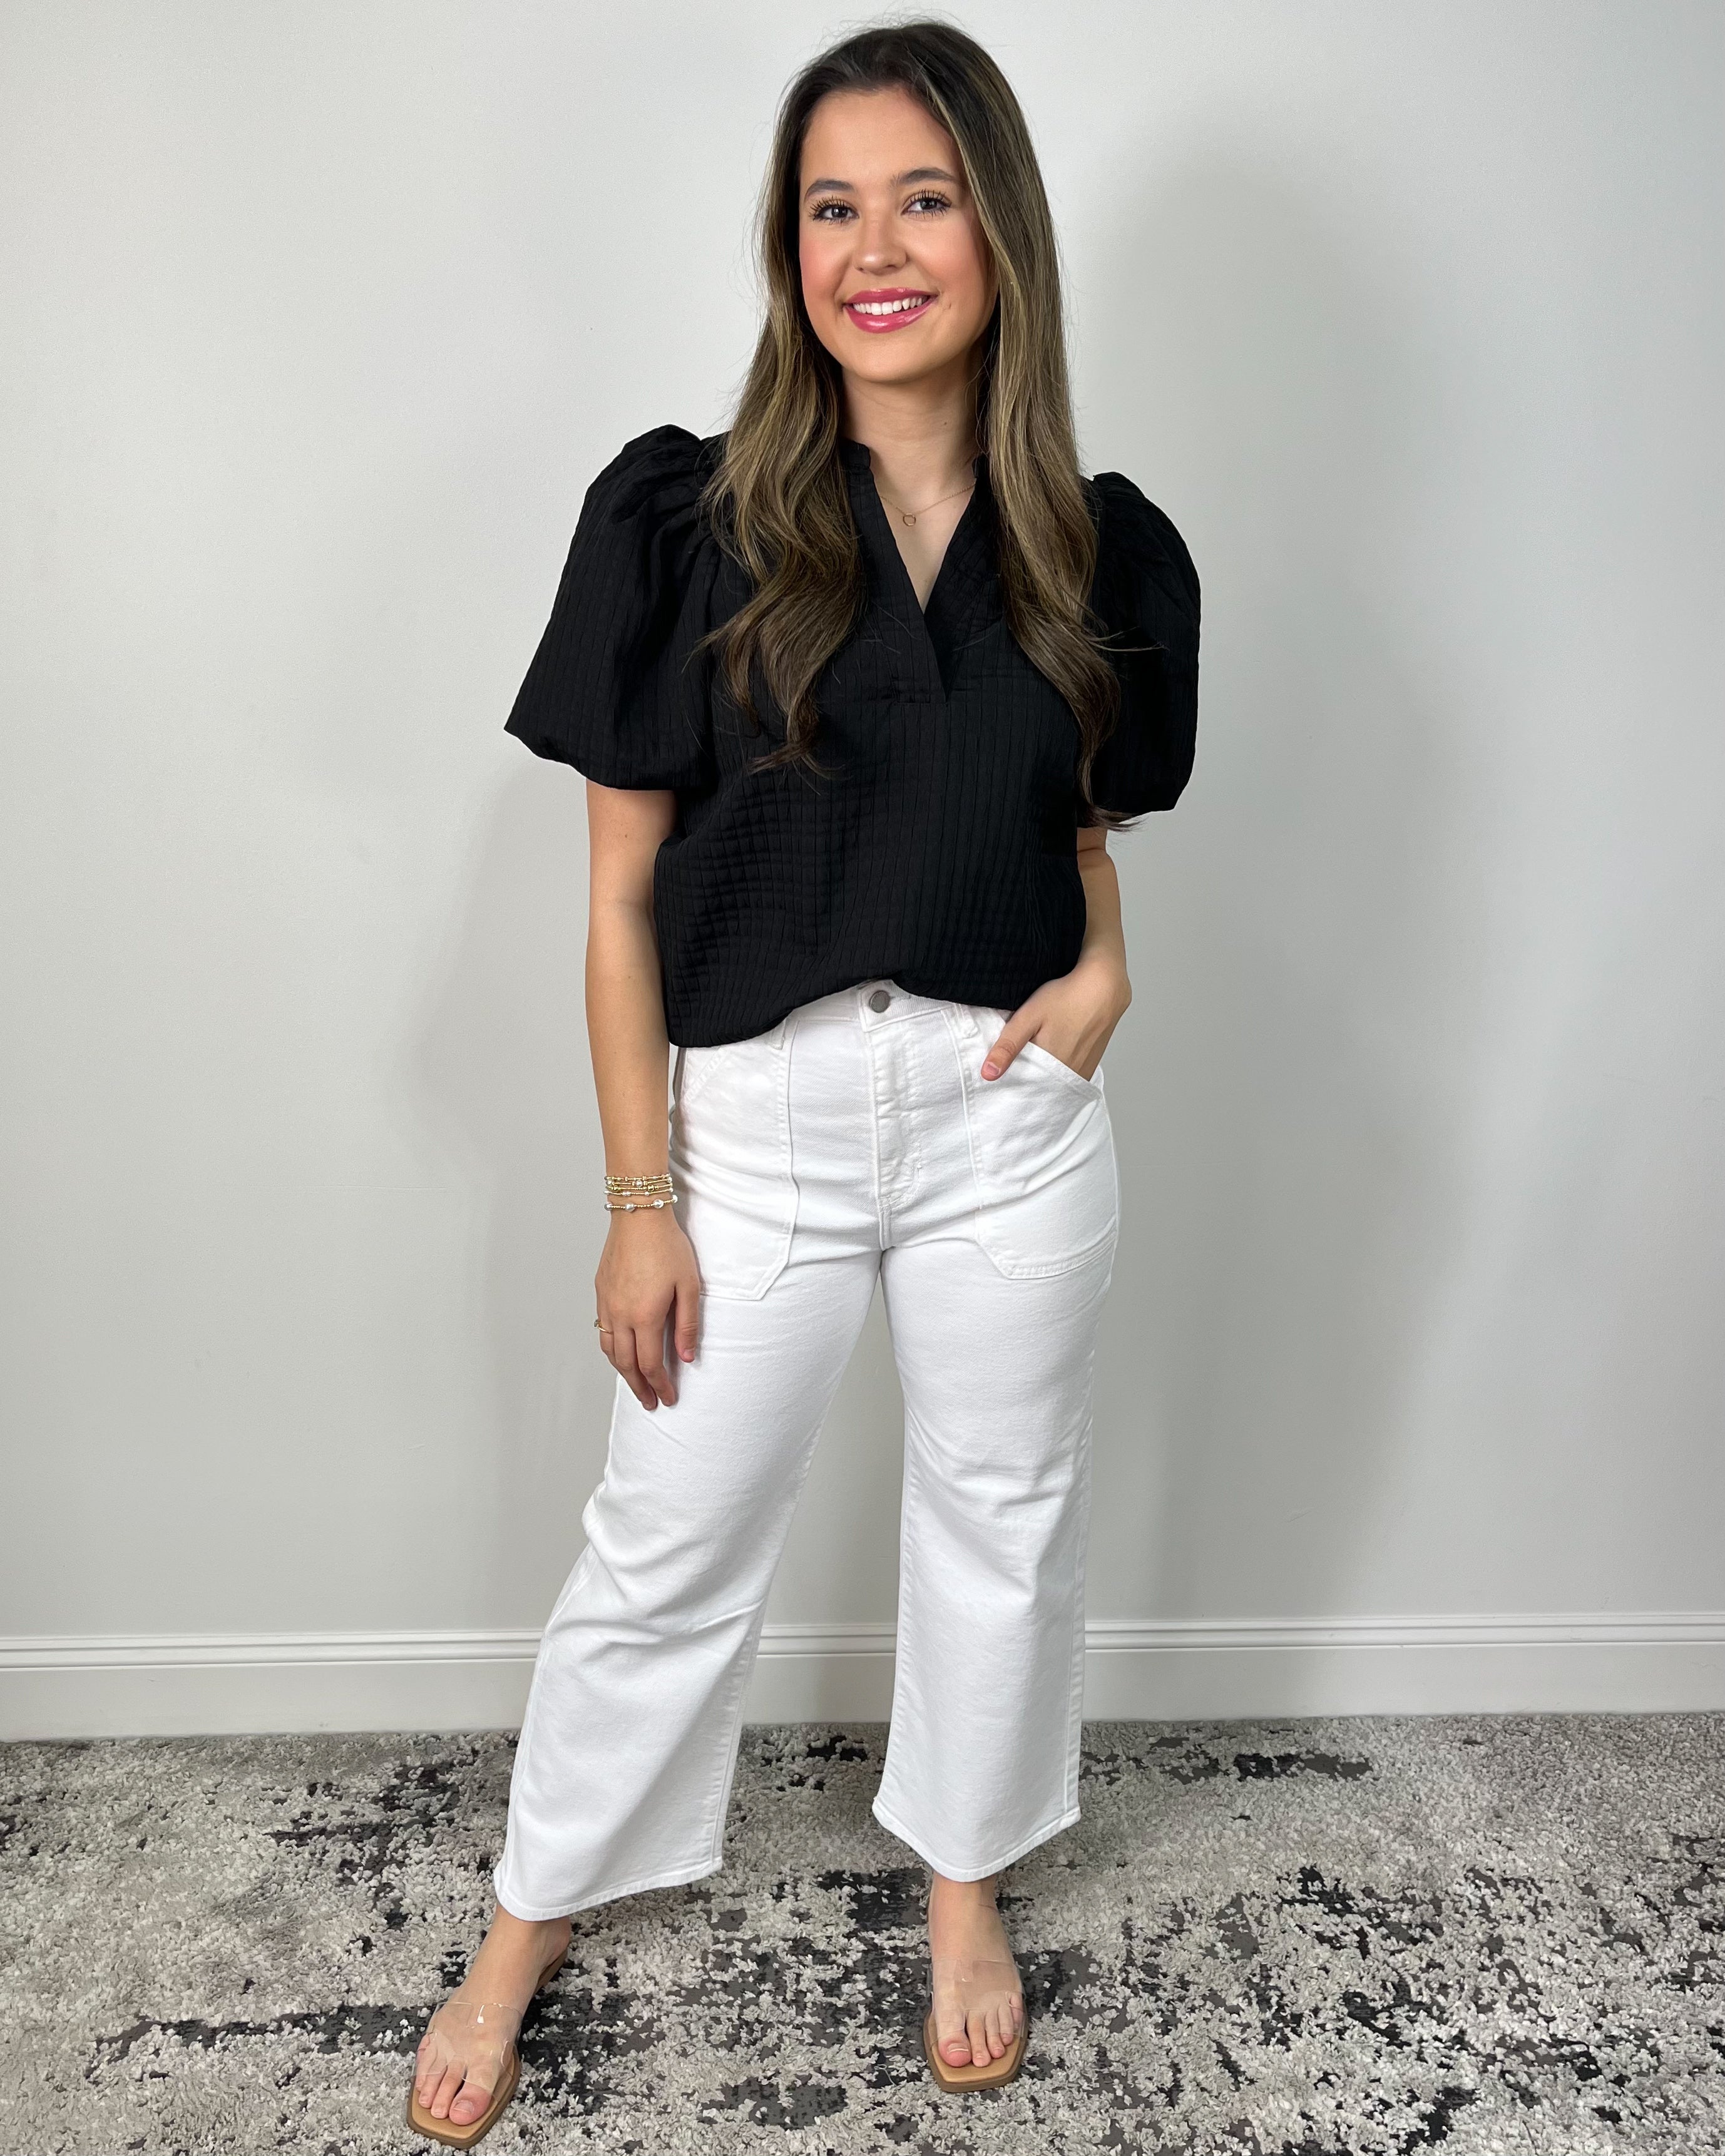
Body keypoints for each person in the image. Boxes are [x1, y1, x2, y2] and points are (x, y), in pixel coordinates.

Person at [409, 18, 1198, 2144]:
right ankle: (524, 1920)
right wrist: (636, 1199)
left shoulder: (1097, 547)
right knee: (662, 1546)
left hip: (1003, 1115)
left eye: (921, 199)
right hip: (750, 1126)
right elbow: (617, 902)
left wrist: (1108, 957)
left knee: (1001, 1521)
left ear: (998, 233)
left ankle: (962, 1888)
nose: (874, 249)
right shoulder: (683, 518)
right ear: (789, 248)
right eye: (830, 206)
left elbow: (1075, 823)